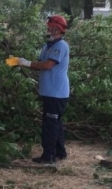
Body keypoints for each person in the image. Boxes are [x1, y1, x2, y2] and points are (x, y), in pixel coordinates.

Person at [7, 15, 70, 165]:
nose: (48, 29)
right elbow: (40, 63)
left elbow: (47, 65)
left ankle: (49, 157)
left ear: (58, 29)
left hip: (56, 92)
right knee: (56, 122)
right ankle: (60, 152)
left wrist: (26, 63)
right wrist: (17, 62)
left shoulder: (61, 46)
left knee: (50, 124)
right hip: (49, 91)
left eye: (51, 27)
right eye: (48, 26)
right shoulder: (47, 45)